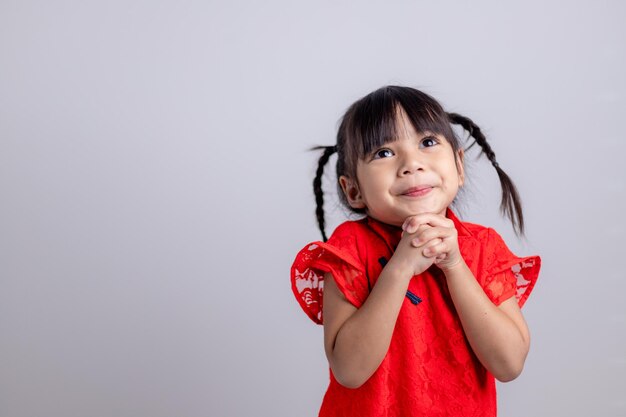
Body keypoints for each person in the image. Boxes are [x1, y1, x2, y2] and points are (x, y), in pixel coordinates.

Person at [290, 86, 541, 417]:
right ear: (353, 190)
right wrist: (400, 267)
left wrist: (455, 265)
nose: (412, 164)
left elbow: (509, 364)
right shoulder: (350, 249)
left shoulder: (482, 247)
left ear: (459, 166)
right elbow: (349, 371)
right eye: (383, 152)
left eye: (427, 142)